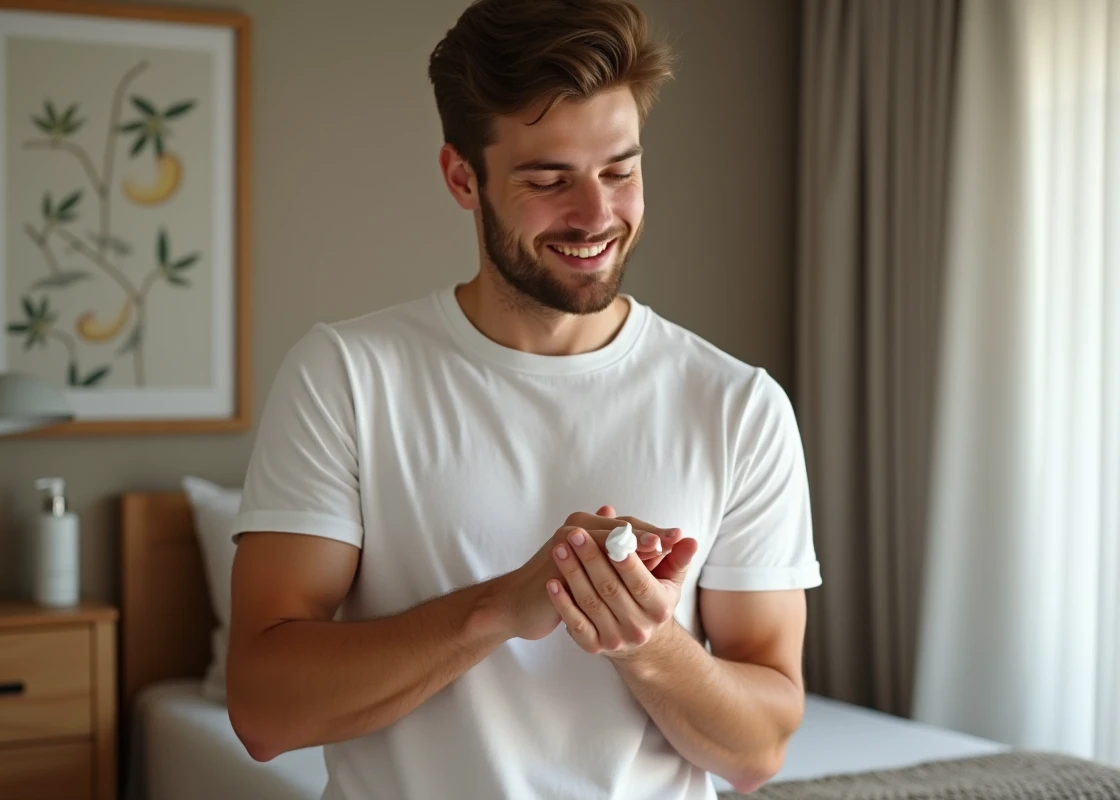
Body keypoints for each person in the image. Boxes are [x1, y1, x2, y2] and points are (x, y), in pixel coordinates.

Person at [226, 0, 822, 797]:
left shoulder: (738, 406)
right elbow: (264, 711)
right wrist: (501, 609)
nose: (597, 216)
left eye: (621, 171)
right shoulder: (346, 377)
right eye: (549, 180)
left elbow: (759, 751)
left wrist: (645, 641)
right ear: (462, 177)